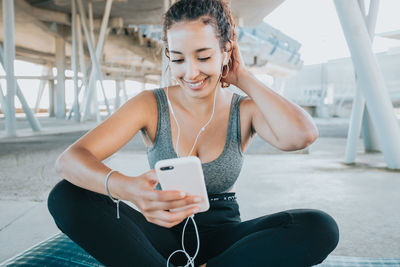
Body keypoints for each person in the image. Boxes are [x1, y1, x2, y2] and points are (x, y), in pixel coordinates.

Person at [47, 0, 339, 266]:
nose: (190, 73)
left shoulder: (244, 110)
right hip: (157, 236)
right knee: (67, 196)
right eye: (178, 59)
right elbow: (70, 160)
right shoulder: (150, 105)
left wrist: (243, 77)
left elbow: (303, 135)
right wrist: (128, 189)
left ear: (227, 51)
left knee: (319, 226)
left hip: (224, 240)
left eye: (203, 57)